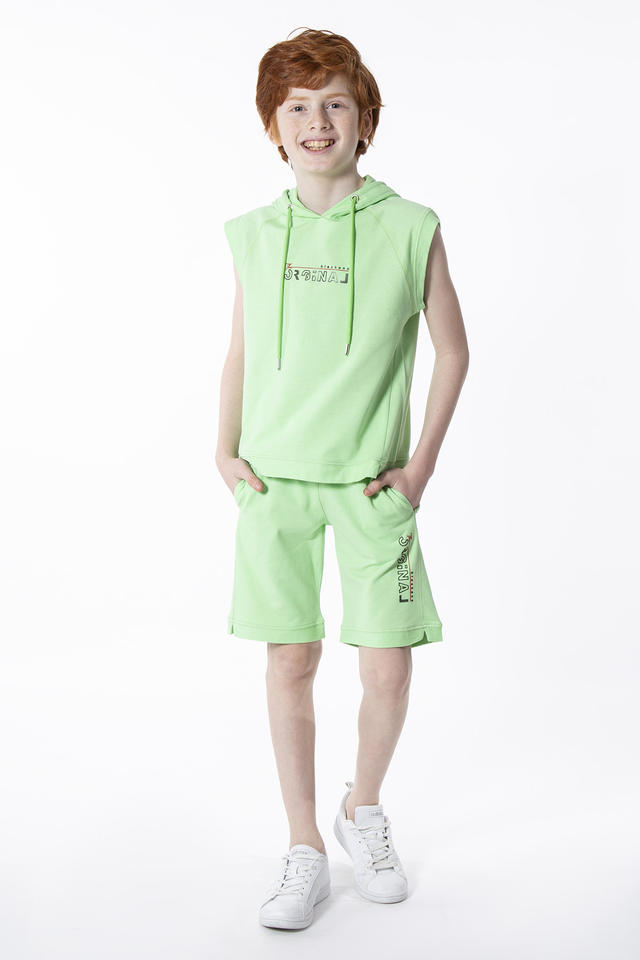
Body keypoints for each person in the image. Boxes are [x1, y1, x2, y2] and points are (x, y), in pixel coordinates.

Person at [216, 28, 469, 929]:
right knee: (290, 660)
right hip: (273, 483)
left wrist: (419, 467)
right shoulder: (253, 235)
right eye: (296, 107)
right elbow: (241, 349)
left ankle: (362, 807)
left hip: (372, 487)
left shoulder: (411, 227)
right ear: (273, 128)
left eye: (335, 103)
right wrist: (223, 452)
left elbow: (452, 351)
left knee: (388, 669)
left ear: (365, 119)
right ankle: (304, 848)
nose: (316, 121)